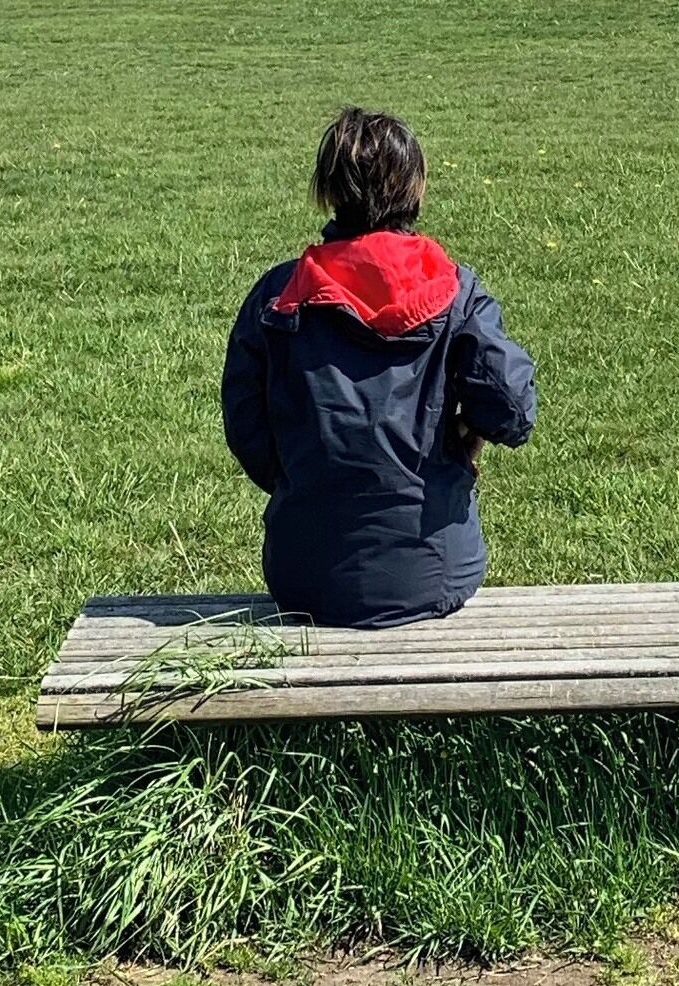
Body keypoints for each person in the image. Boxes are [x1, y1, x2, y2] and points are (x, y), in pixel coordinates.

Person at [221, 106, 537, 627]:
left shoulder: (278, 297)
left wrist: (300, 479)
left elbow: (246, 424)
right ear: (416, 189)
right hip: (434, 570)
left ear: (329, 190)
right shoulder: (456, 291)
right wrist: (466, 437)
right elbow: (513, 409)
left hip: (304, 574)